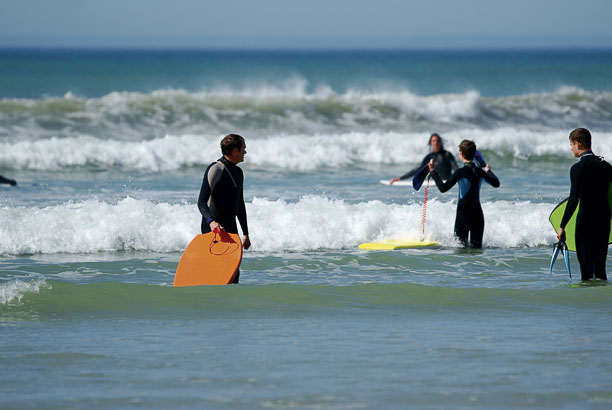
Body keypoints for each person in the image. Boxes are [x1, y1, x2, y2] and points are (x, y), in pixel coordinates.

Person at [557, 128, 612, 280]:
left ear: (578, 144)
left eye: (571, 145)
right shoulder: (606, 166)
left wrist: (562, 226)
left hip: (585, 223)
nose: (571, 149)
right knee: (600, 268)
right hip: (603, 222)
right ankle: (601, 301)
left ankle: (588, 300)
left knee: (586, 270)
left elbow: (573, 199)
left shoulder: (577, 169)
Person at [198, 134, 251, 283]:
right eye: (243, 149)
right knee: (215, 270)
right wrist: (211, 222)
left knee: (233, 274)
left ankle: (228, 305)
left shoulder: (239, 172)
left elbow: (239, 204)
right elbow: (201, 202)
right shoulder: (216, 169)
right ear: (235, 150)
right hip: (214, 230)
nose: (245, 153)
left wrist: (245, 233)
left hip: (231, 228)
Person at [428, 139, 500, 248]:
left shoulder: (460, 172)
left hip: (463, 215)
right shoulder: (480, 172)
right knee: (476, 250)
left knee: (461, 250)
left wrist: (433, 172)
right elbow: (496, 183)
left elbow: (443, 188)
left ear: (461, 153)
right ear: (474, 154)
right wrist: (488, 170)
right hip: (477, 215)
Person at [390, 133, 458, 184]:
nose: (436, 143)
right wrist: (400, 178)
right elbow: (417, 170)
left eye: (437, 141)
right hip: (434, 184)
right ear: (430, 143)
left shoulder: (447, 155)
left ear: (440, 142)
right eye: (434, 141)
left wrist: (460, 178)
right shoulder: (429, 157)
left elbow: (455, 168)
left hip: (447, 183)